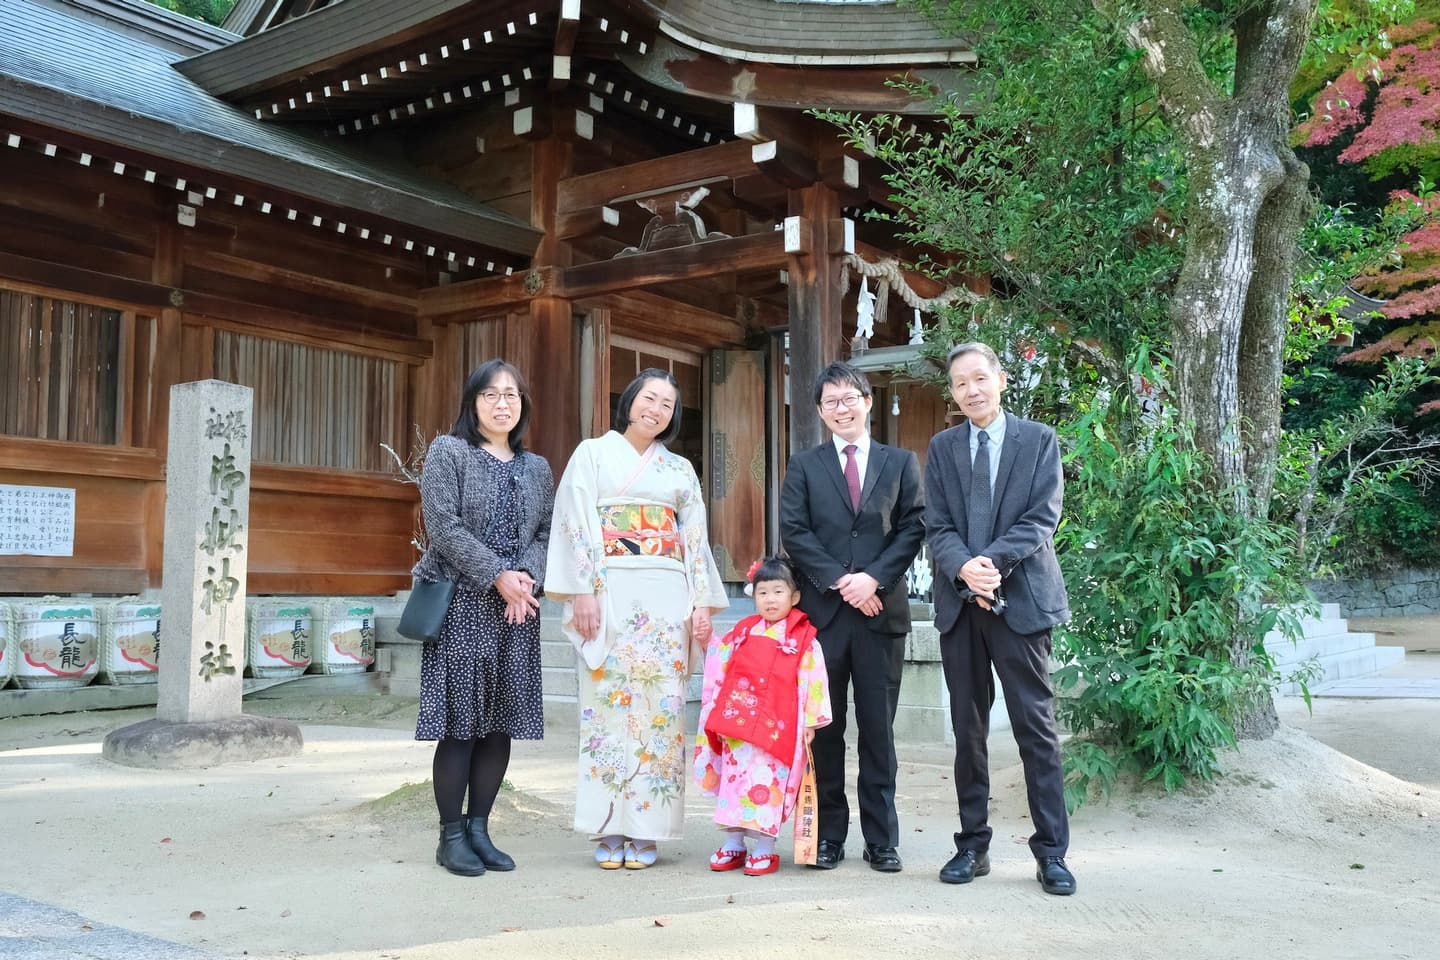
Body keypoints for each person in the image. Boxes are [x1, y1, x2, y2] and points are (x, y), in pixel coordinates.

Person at [546, 368, 729, 870]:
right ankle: (608, 825)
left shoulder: (680, 471)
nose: (657, 409)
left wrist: (699, 605)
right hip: (609, 591)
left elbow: (693, 540)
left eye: (668, 404)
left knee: (660, 712)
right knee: (605, 710)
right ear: (629, 401)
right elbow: (574, 521)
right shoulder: (592, 454)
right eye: (650, 398)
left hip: (666, 596)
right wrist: (582, 590)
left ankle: (647, 829)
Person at [924, 341, 1075, 895]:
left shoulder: (1038, 441)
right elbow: (936, 524)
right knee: (968, 734)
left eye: (980, 378)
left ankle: (1052, 853)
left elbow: (1042, 517)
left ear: (1002, 379)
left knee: (1036, 731)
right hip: (961, 607)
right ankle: (972, 845)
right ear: (954, 392)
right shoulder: (941, 448)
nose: (972, 390)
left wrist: (991, 564)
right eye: (961, 383)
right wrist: (965, 568)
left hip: (1023, 602)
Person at [779, 361, 925, 872]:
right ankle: (827, 835)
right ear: (819, 412)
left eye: (850, 398)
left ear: (867, 401)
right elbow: (794, 532)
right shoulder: (805, 465)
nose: (841, 408)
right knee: (825, 730)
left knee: (878, 732)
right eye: (830, 402)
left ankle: (882, 839)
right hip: (824, 618)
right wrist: (845, 582)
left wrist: (874, 580)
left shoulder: (900, 462)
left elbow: (913, 527)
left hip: (881, 616)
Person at [411, 359, 554, 877]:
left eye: (512, 395)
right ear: (473, 403)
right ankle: (450, 836)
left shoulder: (537, 467)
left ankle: (480, 829)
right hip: (463, 605)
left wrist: (524, 580)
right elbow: (443, 528)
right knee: (461, 724)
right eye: (491, 394)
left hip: (519, 609)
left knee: (500, 726)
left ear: (523, 404)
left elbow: (546, 533)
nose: (502, 403)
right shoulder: (448, 453)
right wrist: (497, 575)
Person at [694, 556, 833, 876]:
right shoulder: (743, 632)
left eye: (778, 591)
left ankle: (765, 847)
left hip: (778, 727)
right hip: (738, 726)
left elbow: (814, 678)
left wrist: (811, 720)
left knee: (768, 784)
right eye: (763, 593)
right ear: (753, 595)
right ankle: (734, 841)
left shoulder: (803, 638)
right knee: (735, 782)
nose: (770, 599)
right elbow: (720, 661)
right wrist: (706, 640)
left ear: (794, 596)